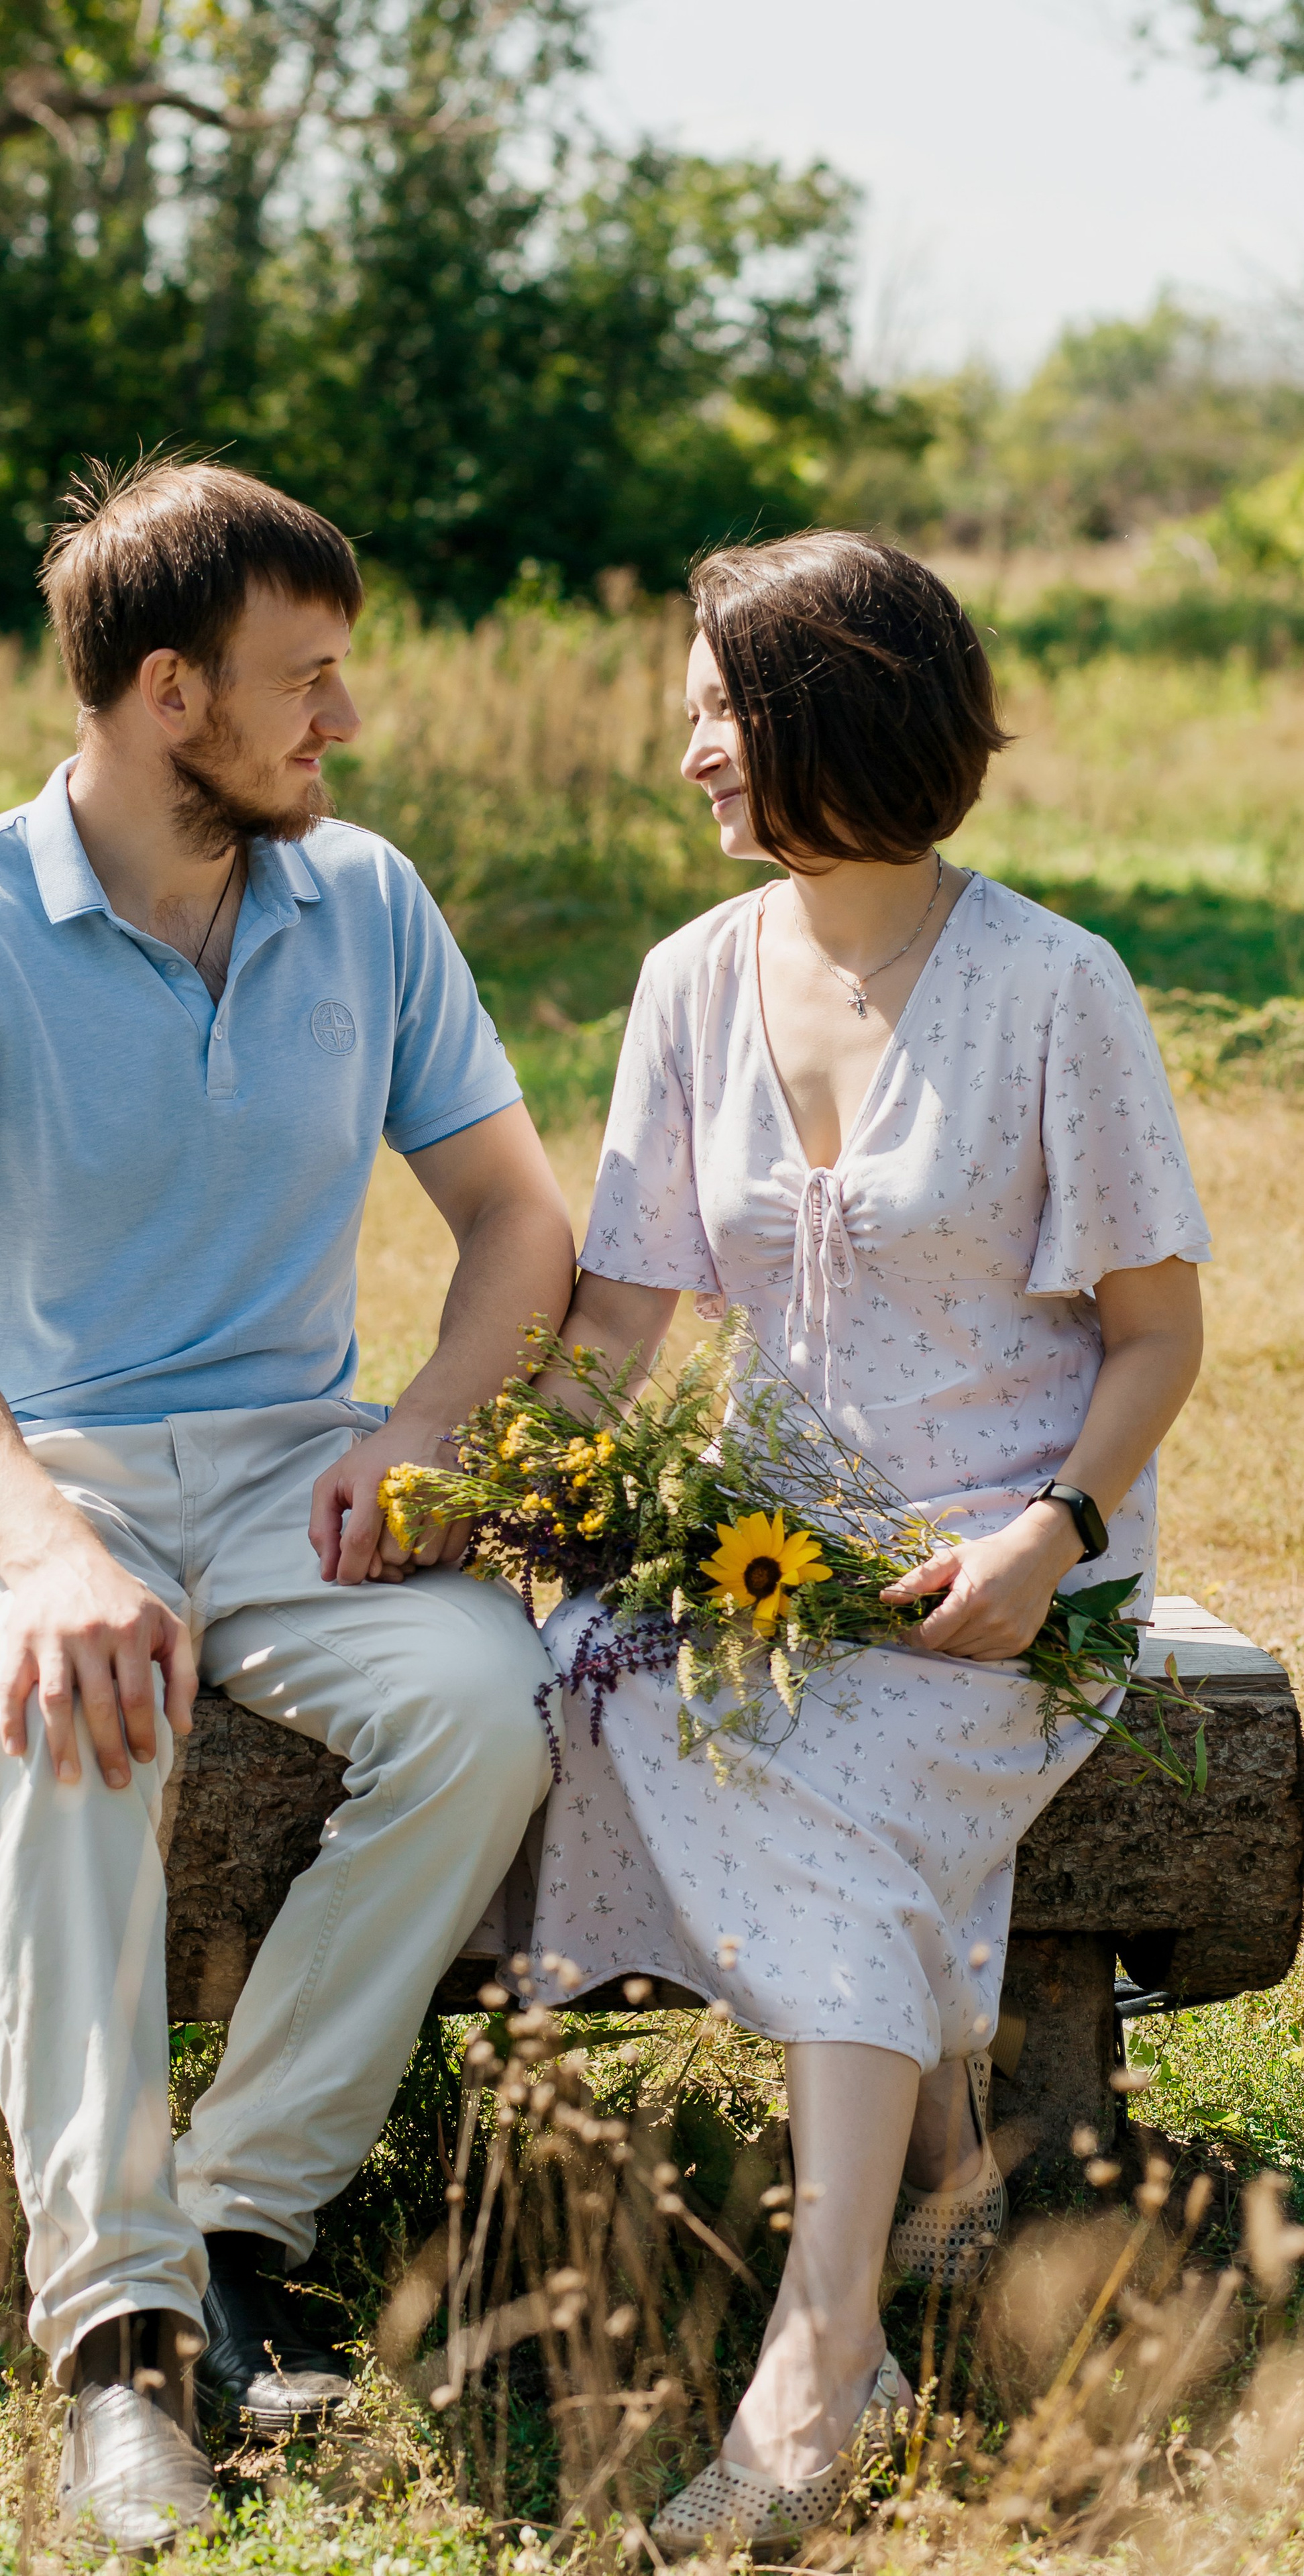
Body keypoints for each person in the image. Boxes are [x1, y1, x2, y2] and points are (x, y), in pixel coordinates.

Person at [0, 458, 572, 2550]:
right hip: (28, 1475)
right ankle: (122, 2345)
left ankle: (239, 2231)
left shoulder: (368, 902)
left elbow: (519, 1217)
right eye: (304, 680)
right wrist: (48, 1556)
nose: (346, 719)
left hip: (287, 1468)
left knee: (489, 1708)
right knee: (73, 1719)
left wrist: (425, 1429)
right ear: (172, 694)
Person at [523, 531, 1208, 2557]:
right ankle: (937, 2175)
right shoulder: (689, 981)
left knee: (833, 1782)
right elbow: (623, 1317)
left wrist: (1050, 1538)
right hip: (759, 1551)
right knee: (586, 1688)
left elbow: (1159, 1335)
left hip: (1017, 1566)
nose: (691, 757)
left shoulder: (1058, 988)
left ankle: (818, 2381)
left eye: (721, 715)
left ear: (837, 717)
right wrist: (516, 1493)